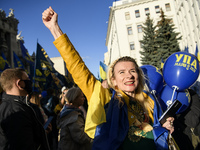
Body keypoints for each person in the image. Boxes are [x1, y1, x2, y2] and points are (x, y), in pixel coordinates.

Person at [42, 7, 174, 150]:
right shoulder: (106, 97)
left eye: (132, 71)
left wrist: (166, 125)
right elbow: (76, 66)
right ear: (114, 79)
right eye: (122, 72)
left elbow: (158, 127)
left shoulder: (149, 100)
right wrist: (54, 28)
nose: (129, 75)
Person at [0, 68, 50, 150]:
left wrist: (41, 132)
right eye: (27, 79)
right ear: (19, 84)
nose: (30, 82)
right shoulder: (15, 111)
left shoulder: (15, 105)